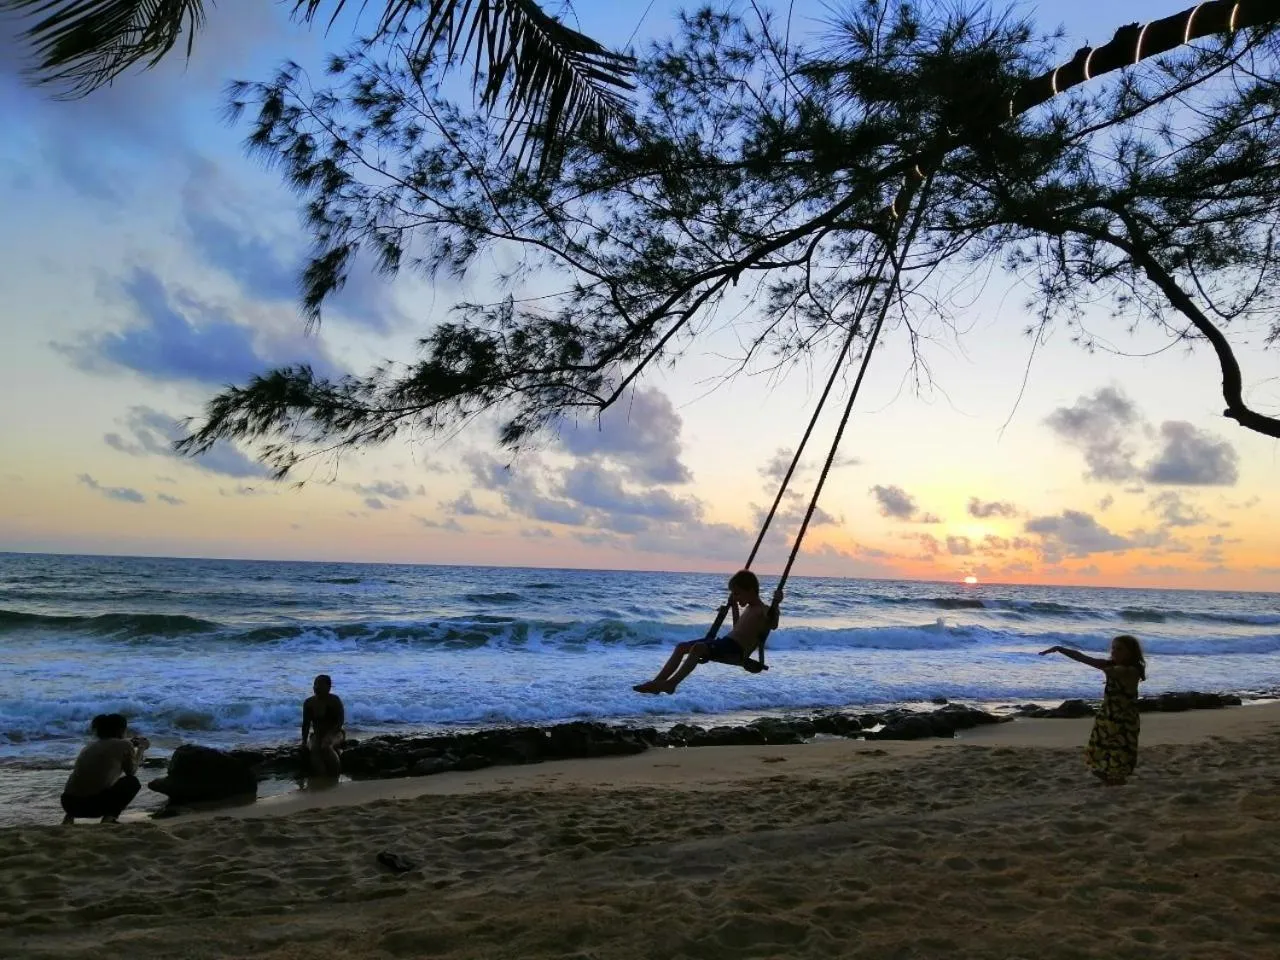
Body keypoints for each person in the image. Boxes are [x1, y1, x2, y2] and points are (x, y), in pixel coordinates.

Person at [634, 569, 771, 695]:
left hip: (736, 650)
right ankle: (657, 683)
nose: (734, 597)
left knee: (698, 648)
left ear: (751, 590)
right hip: (725, 643)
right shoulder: (748, 609)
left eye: (737, 593)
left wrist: (776, 603)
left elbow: (773, 623)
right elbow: (737, 628)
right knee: (681, 647)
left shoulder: (762, 609)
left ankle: (671, 684)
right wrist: (734, 607)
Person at [1040, 634, 1146, 786]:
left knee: (1119, 751)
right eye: (1113, 648)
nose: (1114, 652)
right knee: (1100, 747)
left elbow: (1115, 671)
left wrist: (1102, 666)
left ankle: (1117, 780)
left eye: (1120, 649)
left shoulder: (1132, 671)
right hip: (1107, 715)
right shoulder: (1111, 666)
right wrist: (1060, 649)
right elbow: (1083, 658)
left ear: (1131, 652)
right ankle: (1110, 778)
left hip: (1123, 719)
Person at [61, 713, 149, 824]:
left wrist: (130, 744)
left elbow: (112, 748)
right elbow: (131, 771)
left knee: (83, 780)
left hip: (68, 803)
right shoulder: (124, 745)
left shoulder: (89, 746)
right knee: (132, 782)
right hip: (93, 806)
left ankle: (68, 819)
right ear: (121, 730)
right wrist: (141, 749)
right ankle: (109, 819)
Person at [301, 674, 345, 779]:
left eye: (320, 684)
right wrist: (303, 742)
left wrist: (330, 735)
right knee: (314, 750)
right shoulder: (309, 703)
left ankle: (335, 775)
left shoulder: (335, 701)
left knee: (326, 747)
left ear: (328, 687)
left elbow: (340, 721)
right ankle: (322, 776)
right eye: (315, 684)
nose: (316, 687)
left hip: (336, 733)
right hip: (317, 734)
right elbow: (306, 724)